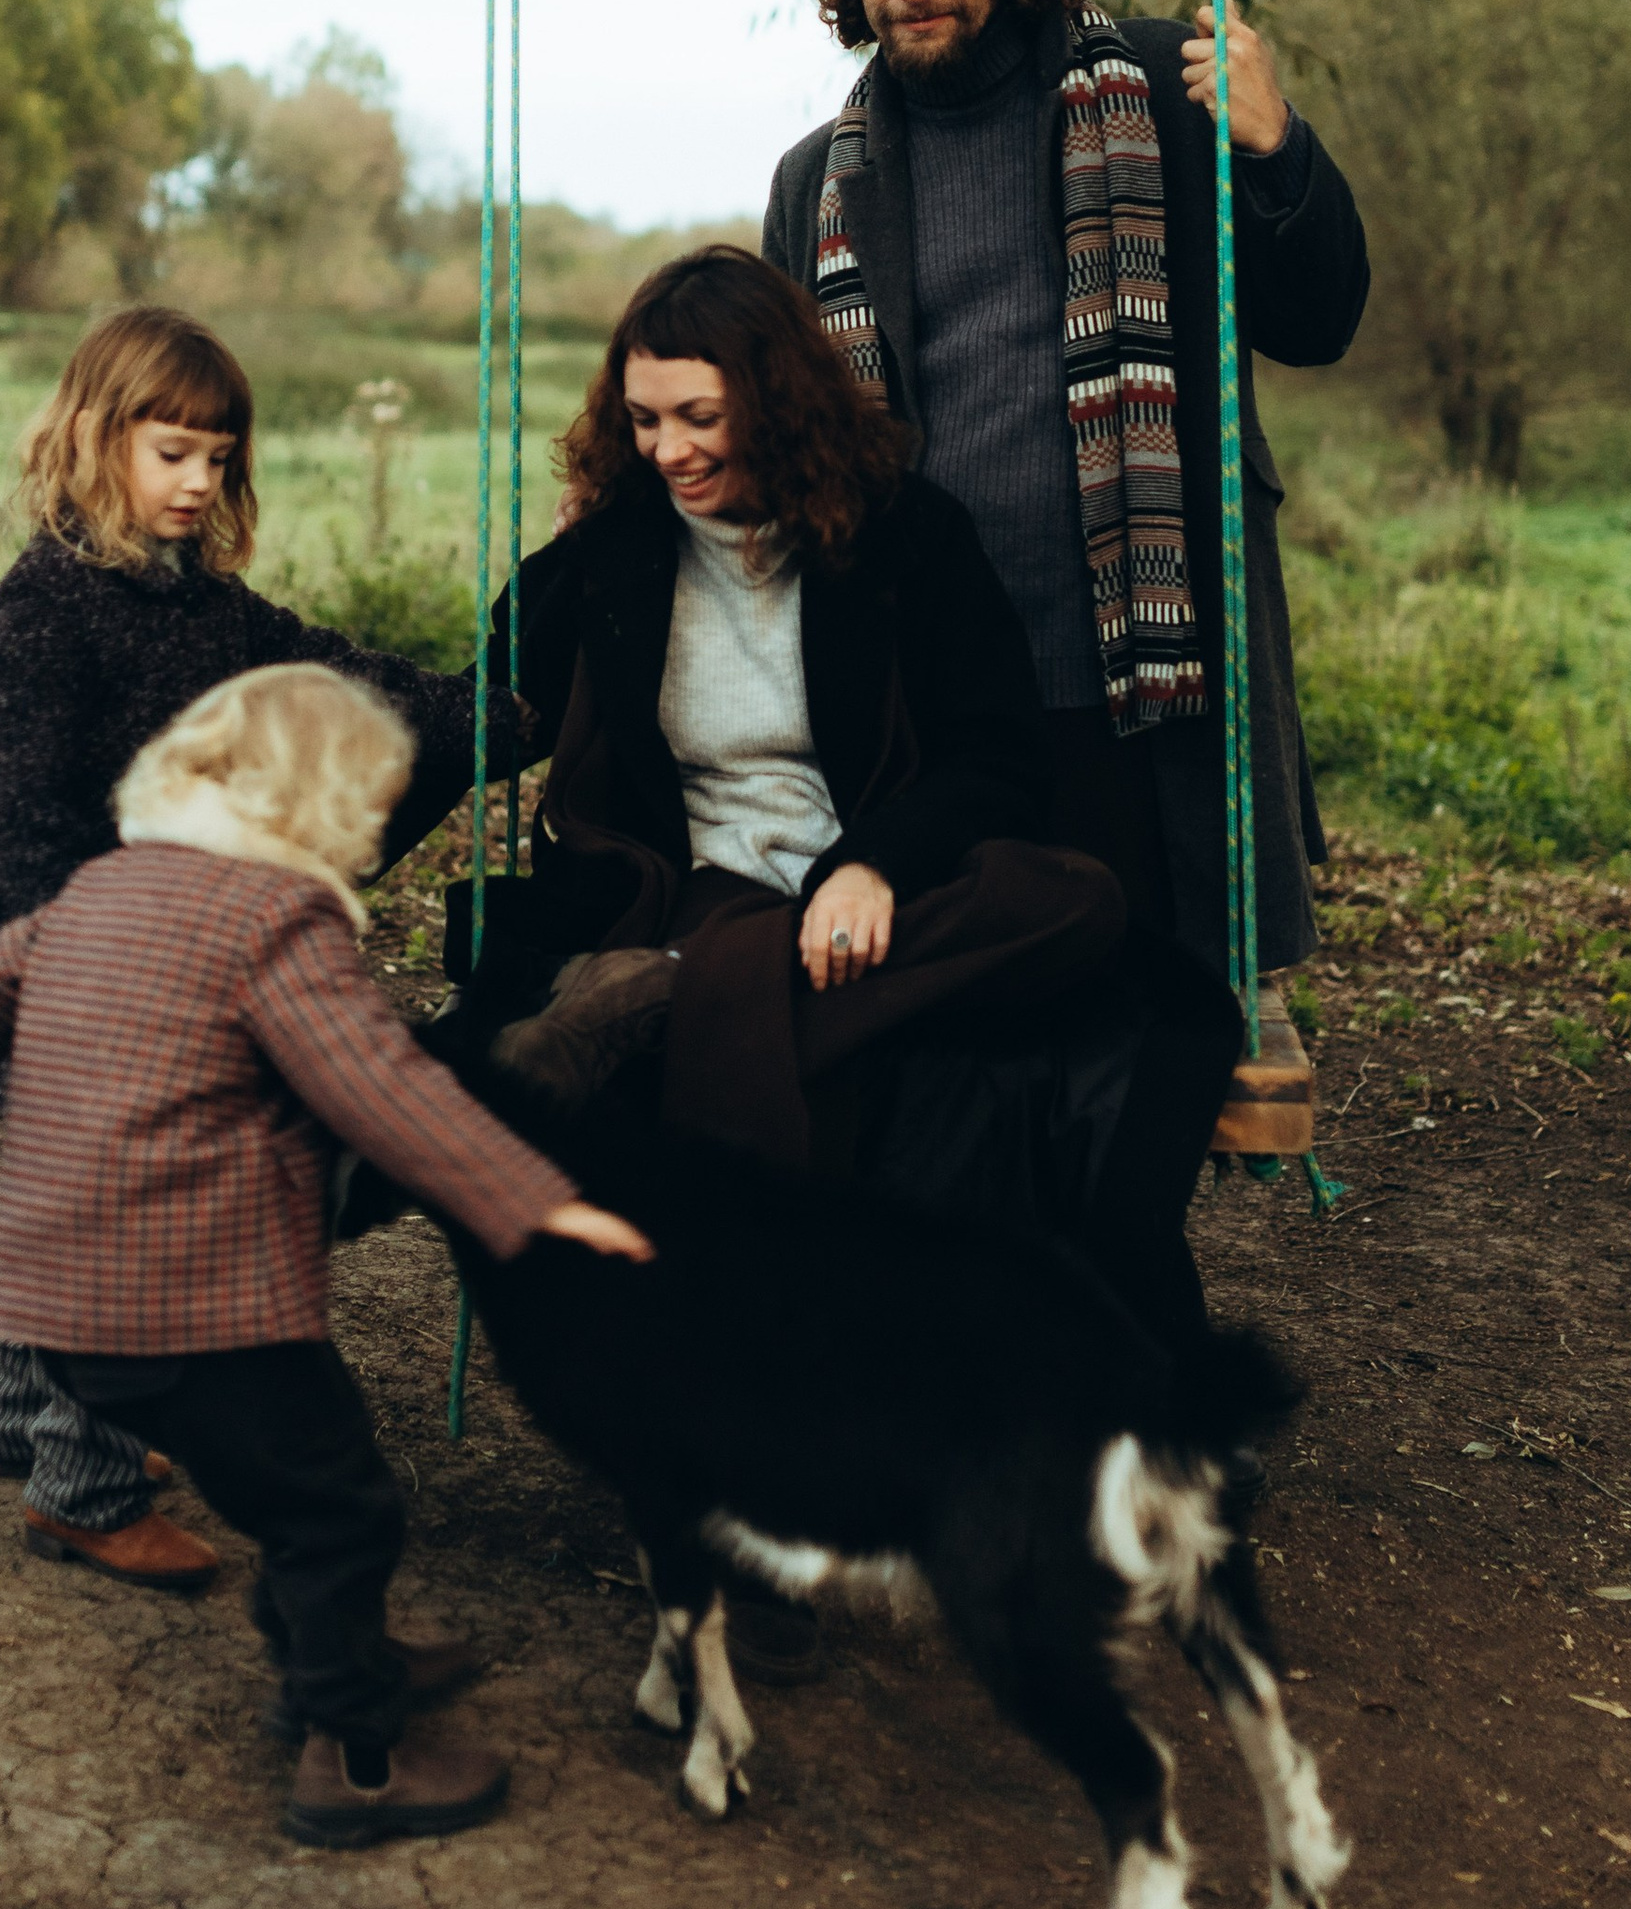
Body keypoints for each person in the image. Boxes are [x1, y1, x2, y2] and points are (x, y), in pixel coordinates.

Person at [0, 661, 652, 1848]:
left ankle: (332, 1649)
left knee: (300, 1486)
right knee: (339, 1513)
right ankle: (355, 1752)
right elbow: (379, 1086)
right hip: (198, 1306)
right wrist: (525, 1200)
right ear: (327, 809)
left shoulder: (98, 893)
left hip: (51, 1316)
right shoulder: (279, 921)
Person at [762, 0, 1368, 1004]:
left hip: (1141, 678)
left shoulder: (1155, 88)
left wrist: (1276, 144)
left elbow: (1321, 319)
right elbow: (790, 446)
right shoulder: (814, 182)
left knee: (1151, 1023)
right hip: (935, 707)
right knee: (967, 1038)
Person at [0, 303, 520, 1588]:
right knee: (130, 1232)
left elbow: (326, 669)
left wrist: (483, 715)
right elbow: (28, 825)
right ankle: (81, 1491)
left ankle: (16, 1418)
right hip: (94, 971)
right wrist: (78, 987)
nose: (199, 482)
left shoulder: (201, 602)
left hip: (155, 958)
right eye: (172, 453)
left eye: (218, 457)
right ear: (95, 438)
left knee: (69, 1209)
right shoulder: (46, 611)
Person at [418, 245, 1129, 1200]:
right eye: (643, 420)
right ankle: (693, 977)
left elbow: (996, 758)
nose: (668, 449)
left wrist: (870, 866)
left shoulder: (909, 532)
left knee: (1074, 897)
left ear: (776, 397)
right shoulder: (612, 550)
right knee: (770, 958)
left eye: (699, 417)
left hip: (874, 885)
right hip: (703, 884)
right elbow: (488, 713)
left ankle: (660, 993)